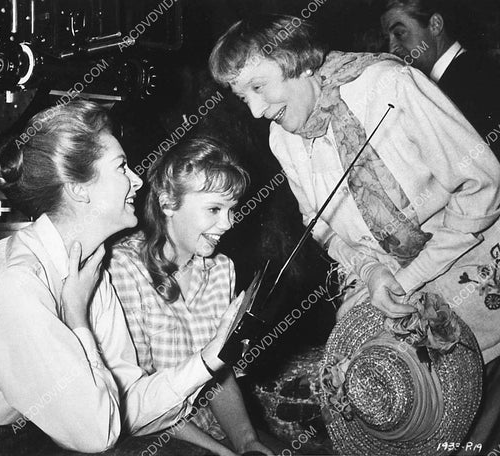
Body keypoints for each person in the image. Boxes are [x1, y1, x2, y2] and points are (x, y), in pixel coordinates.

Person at [209, 13, 500, 453]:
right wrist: (371, 272)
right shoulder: (282, 140)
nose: (254, 109)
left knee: (457, 423)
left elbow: (483, 185)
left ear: (296, 61)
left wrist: (406, 277)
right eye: (240, 95)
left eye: (258, 86)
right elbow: (320, 226)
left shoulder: (390, 85)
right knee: (372, 398)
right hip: (383, 282)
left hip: (470, 273)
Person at [0, 100, 238, 455]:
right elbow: (96, 434)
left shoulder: (88, 268)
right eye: (121, 167)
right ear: (79, 188)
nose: (138, 180)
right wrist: (78, 319)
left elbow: (124, 404)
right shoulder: (17, 280)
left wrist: (208, 360)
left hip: (23, 430)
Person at [105, 136, 277, 456]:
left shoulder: (221, 269)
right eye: (214, 208)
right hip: (148, 433)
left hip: (211, 426)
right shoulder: (123, 268)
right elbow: (138, 405)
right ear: (169, 202)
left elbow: (218, 373)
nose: (228, 223)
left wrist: (246, 441)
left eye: (232, 209)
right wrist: (221, 452)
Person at [380, 0, 500, 157]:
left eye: (399, 33)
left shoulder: (476, 79)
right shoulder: (459, 75)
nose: (392, 48)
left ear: (435, 25)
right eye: (388, 39)